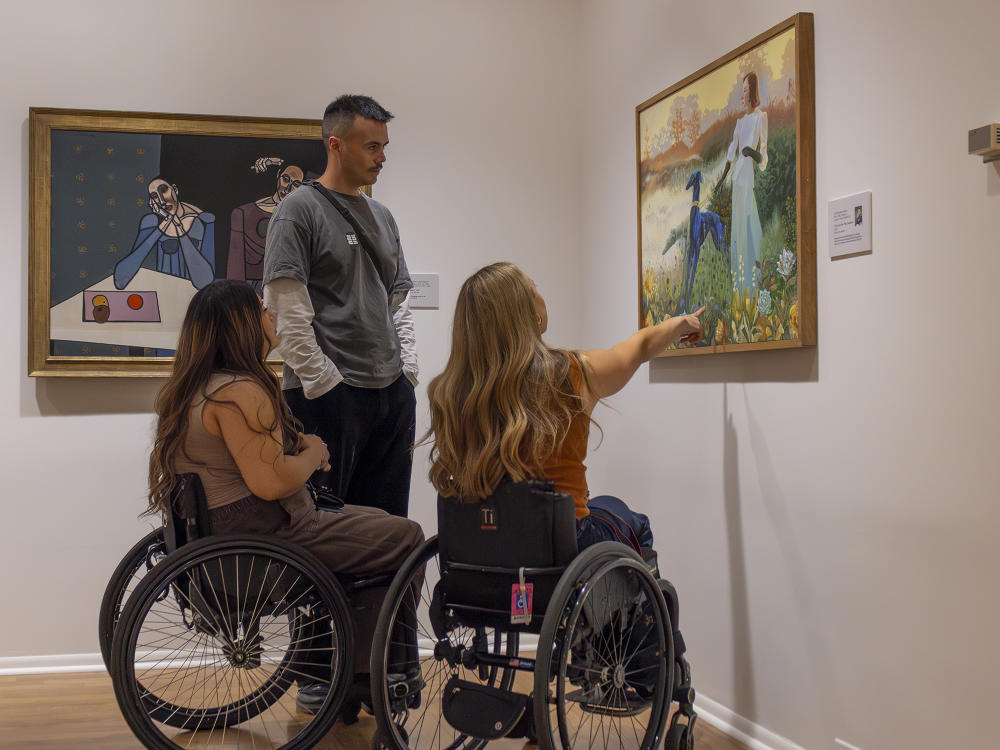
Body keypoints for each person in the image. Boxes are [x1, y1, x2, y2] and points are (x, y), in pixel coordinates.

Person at [146, 279, 424, 714]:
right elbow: (272, 483)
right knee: (405, 535)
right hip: (266, 543)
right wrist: (313, 452)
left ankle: (335, 672)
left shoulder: (192, 390)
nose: (271, 316)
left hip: (222, 544)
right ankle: (388, 671)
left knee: (371, 519)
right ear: (240, 325)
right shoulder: (239, 392)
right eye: (261, 309)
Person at [425, 262, 704, 552]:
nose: (541, 295)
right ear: (523, 312)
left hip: (480, 544)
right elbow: (641, 346)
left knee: (605, 506)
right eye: (534, 287)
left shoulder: (449, 392)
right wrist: (684, 323)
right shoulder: (568, 374)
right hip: (558, 546)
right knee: (632, 522)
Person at [263, 94, 417, 517]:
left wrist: (407, 374)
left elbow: (397, 301)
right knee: (324, 527)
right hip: (328, 396)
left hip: (390, 392)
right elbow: (285, 311)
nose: (382, 157)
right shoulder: (298, 212)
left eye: (384, 146)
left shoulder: (382, 216)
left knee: (389, 525)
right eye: (372, 146)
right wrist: (326, 385)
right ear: (335, 145)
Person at [114, 177, 216, 290]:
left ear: (175, 190)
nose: (162, 200)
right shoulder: (152, 222)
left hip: (192, 297)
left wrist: (178, 226)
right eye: (155, 196)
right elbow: (121, 280)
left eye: (163, 190)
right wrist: (165, 223)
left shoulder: (203, 221)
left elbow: (205, 282)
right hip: (161, 293)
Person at [718, 70, 768, 291]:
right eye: (743, 89)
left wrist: (753, 153)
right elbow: (731, 154)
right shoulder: (739, 123)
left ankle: (754, 284)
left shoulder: (761, 117)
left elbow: (763, 158)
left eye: (746, 89)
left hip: (748, 177)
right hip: (737, 179)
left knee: (752, 228)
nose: (743, 94)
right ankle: (740, 288)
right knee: (738, 231)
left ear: (753, 92)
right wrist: (721, 181)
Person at [227, 160, 304, 292]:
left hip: (290, 290)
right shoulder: (244, 213)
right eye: (285, 179)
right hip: (250, 291)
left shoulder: (303, 217)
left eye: (296, 184)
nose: (287, 187)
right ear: (278, 175)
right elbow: (235, 268)